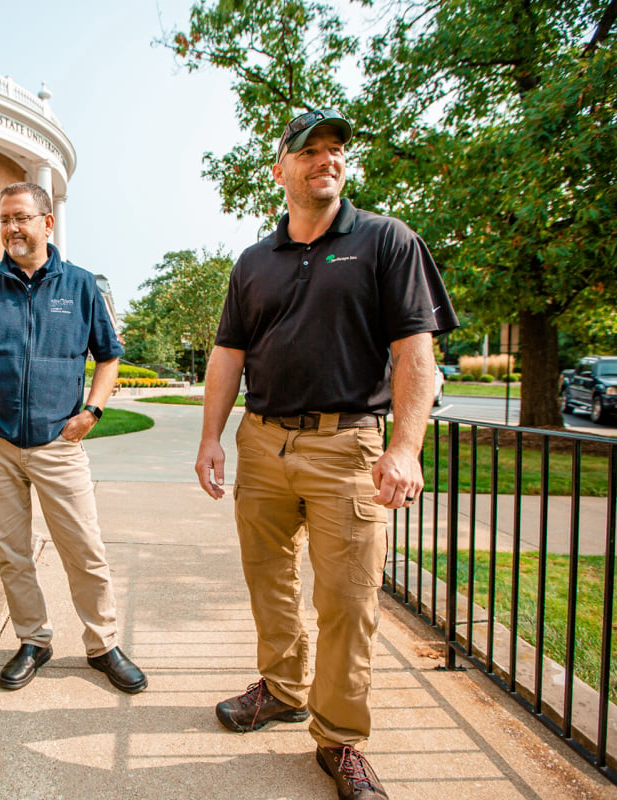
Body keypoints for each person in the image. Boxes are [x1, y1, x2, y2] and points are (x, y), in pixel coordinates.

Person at [194, 109, 459, 800]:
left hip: (349, 446)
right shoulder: (254, 260)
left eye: (335, 149)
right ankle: (282, 689)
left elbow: (415, 354)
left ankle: (340, 738)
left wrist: (405, 447)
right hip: (262, 442)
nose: (326, 160)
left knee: (347, 599)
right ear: (278, 168)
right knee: (269, 581)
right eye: (309, 150)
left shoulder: (386, 241)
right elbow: (229, 353)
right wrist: (209, 438)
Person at [0, 181, 147, 695]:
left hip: (59, 444)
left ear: (46, 223)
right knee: (12, 552)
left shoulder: (79, 286)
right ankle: (33, 640)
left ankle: (103, 644)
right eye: (4, 219)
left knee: (84, 548)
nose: (10, 227)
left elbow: (108, 355)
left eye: (21, 217)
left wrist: (92, 411)